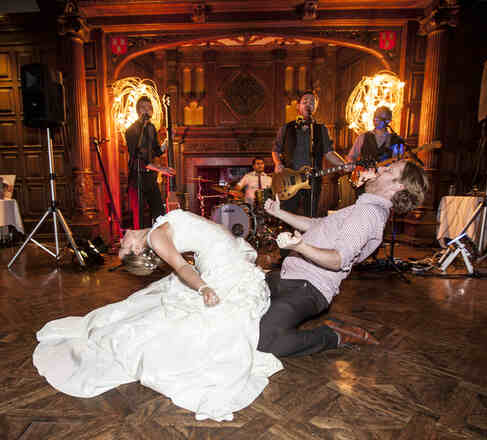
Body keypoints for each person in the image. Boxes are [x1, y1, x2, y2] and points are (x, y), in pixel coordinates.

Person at [32, 209, 283, 422]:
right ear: (140, 248)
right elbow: (183, 266)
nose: (122, 240)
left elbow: (207, 230)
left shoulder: (158, 227)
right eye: (125, 247)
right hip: (227, 275)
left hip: (231, 265)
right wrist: (204, 288)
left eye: (120, 246)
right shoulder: (155, 237)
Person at [257, 160, 428, 356]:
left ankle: (332, 335)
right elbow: (318, 225)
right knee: (236, 301)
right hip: (290, 277)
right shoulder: (363, 207)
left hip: (308, 288)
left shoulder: (367, 213)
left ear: (398, 186)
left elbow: (338, 260)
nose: (379, 169)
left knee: (262, 342)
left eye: (388, 170)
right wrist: (278, 213)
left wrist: (301, 246)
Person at [272, 90, 346, 218]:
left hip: (312, 180)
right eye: (305, 101)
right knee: (287, 216)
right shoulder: (286, 128)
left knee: (309, 216)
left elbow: (329, 152)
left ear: (315, 107)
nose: (308, 104)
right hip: (289, 179)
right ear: (298, 106)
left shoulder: (321, 129)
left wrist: (344, 164)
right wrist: (278, 163)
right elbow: (276, 150)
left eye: (312, 102)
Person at [124, 96, 168, 229]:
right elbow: (138, 157)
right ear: (137, 111)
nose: (147, 111)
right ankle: (140, 247)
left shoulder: (151, 128)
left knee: (160, 214)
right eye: (143, 108)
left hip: (150, 178)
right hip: (137, 178)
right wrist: (160, 168)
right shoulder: (131, 130)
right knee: (141, 218)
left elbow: (156, 152)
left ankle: (157, 243)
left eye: (149, 108)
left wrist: (166, 143)